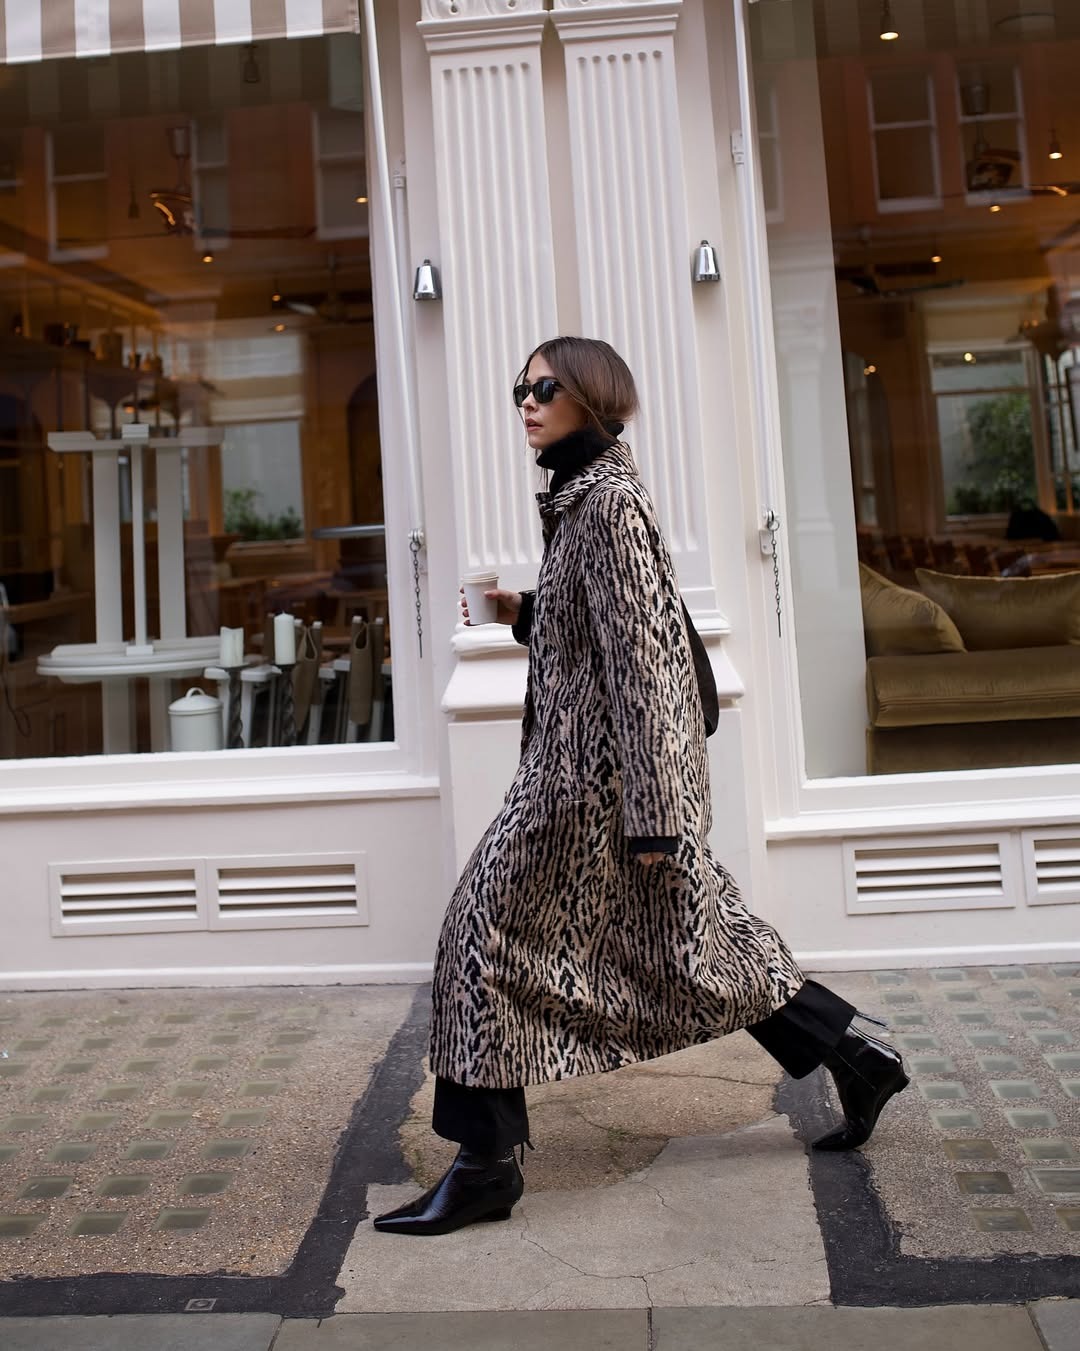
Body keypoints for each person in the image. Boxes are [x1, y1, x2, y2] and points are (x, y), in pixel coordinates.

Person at [374, 337, 907, 1237]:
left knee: (481, 934)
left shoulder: (608, 504)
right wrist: (523, 612)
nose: (528, 403)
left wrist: (661, 818)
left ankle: (483, 1168)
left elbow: (651, 668)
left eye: (545, 388)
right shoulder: (581, 501)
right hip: (583, 777)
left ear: (592, 396)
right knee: (691, 950)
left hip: (591, 788)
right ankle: (854, 1054)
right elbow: (602, 626)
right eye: (521, 389)